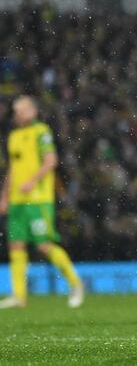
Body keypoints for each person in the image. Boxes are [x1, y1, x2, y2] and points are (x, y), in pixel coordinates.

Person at [0, 96, 84, 309]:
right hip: (18, 201)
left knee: (44, 246)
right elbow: (12, 168)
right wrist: (4, 196)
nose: (18, 113)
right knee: (16, 246)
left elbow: (51, 161)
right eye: (16, 110)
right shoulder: (14, 136)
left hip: (37, 199)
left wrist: (32, 181)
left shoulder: (42, 132)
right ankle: (19, 296)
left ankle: (76, 284)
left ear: (33, 111)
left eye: (22, 109)